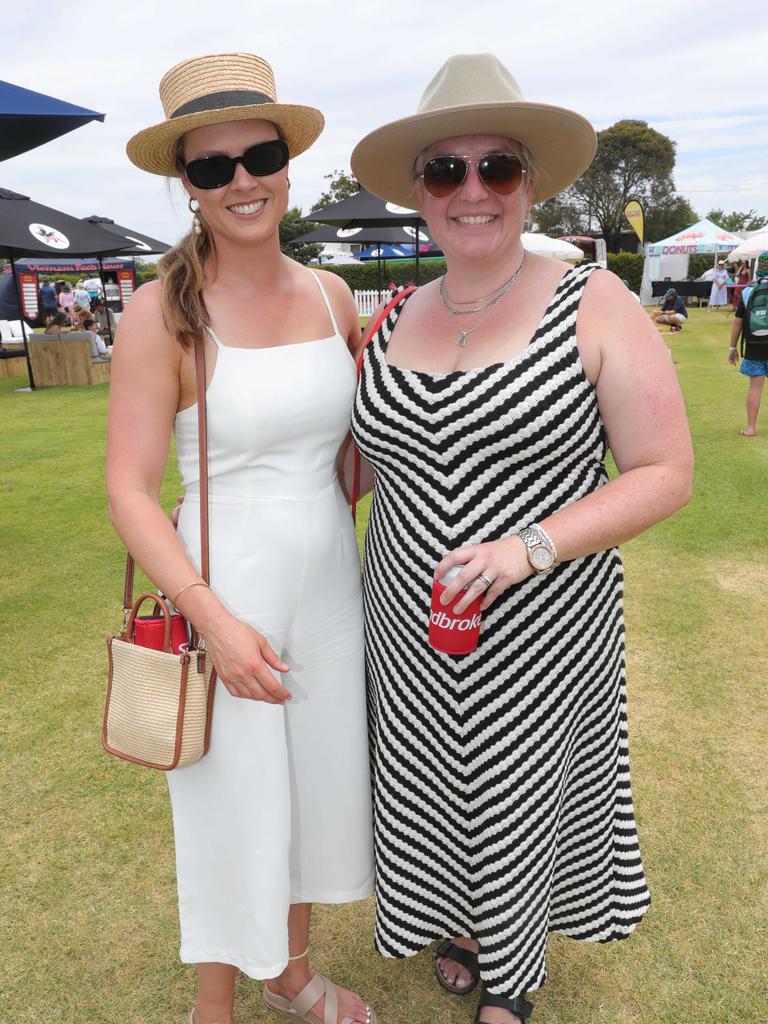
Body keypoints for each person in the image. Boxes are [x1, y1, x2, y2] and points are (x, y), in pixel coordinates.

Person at [348, 53, 693, 1024]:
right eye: (445, 170)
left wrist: (528, 547)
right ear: (419, 190)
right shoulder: (391, 319)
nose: (472, 190)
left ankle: (513, 976)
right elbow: (356, 466)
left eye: (496, 167)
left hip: (543, 616)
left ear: (530, 181)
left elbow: (665, 471)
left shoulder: (596, 302)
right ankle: (458, 926)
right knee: (427, 775)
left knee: (516, 780)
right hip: (409, 619)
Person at [109, 52, 375, 1024]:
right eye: (213, 166)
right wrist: (210, 617)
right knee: (231, 805)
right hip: (225, 587)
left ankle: (291, 974)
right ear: (188, 184)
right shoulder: (161, 312)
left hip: (328, 582)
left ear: (287, 161)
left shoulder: (330, 298)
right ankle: (211, 1007)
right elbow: (130, 490)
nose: (241, 180)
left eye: (257, 153)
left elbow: (352, 460)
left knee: (307, 792)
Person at [729, 280, 766, 435]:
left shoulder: (748, 291)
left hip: (754, 344)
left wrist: (732, 347)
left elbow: (738, 322)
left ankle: (751, 428)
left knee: (755, 388)